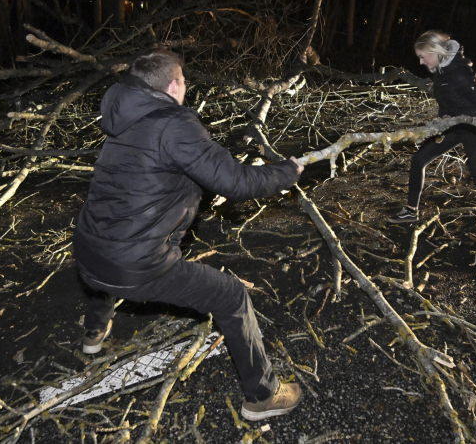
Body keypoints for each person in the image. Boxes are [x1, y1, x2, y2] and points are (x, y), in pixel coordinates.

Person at [73, 49, 304, 421]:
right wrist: (285, 173)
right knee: (231, 296)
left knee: (111, 244)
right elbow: (236, 182)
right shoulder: (173, 122)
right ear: (174, 84)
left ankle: (93, 336)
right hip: (136, 266)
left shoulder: (121, 119)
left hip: (87, 252)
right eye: (183, 82)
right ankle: (262, 396)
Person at [388, 31, 476, 224]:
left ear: (435, 51)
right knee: (418, 159)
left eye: (422, 57)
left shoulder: (460, 73)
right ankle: (411, 211)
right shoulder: (440, 71)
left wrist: (457, 118)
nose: (421, 62)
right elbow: (448, 99)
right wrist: (445, 117)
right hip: (453, 127)